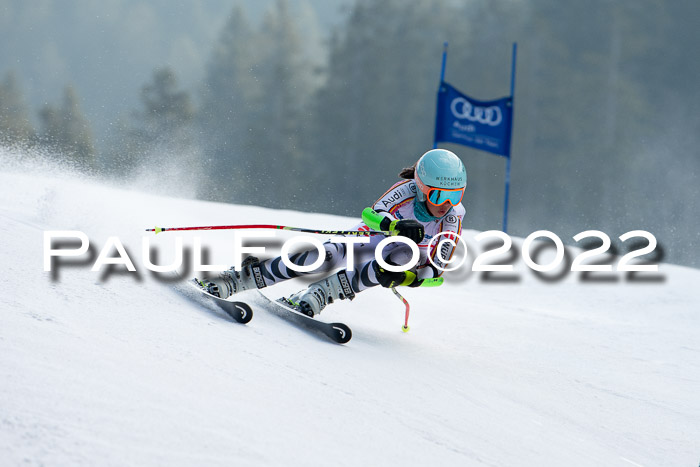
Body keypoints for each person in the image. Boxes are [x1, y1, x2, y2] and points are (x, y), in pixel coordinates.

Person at [194, 148, 467, 317]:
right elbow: (370, 215)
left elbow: (436, 273)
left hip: (401, 256)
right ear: (420, 186)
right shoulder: (406, 191)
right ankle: (239, 279)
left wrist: (407, 278)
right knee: (325, 256)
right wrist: (392, 225)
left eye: (456, 196)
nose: (446, 204)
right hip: (372, 238)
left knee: (389, 266)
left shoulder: (451, 220)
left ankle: (321, 294)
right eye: (440, 194)